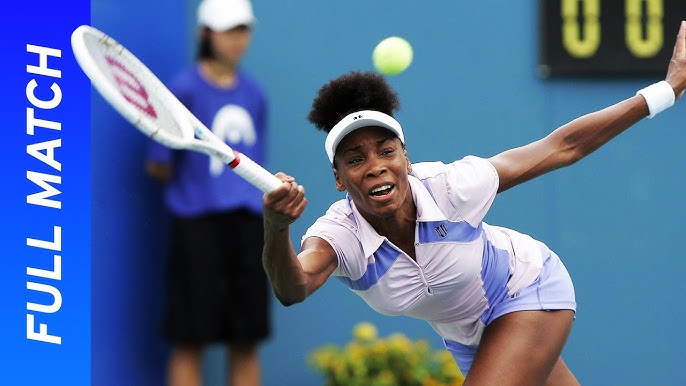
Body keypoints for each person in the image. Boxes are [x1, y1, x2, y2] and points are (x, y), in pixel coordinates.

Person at [261, 21, 686, 385]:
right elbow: (293, 288)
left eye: (386, 151)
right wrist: (277, 228)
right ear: (338, 179)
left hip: (527, 286)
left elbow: (563, 146)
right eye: (356, 160)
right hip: (471, 335)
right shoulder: (339, 235)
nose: (375, 167)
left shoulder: (450, 186)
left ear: (406, 158)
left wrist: (666, 90)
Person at [145, 0, 270, 385]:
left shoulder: (254, 93)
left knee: (246, 341)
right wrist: (198, 190)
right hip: (196, 227)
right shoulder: (181, 90)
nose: (237, 39)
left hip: (249, 226)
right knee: (189, 340)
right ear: (204, 33)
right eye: (228, 30)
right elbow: (158, 165)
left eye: (243, 30)